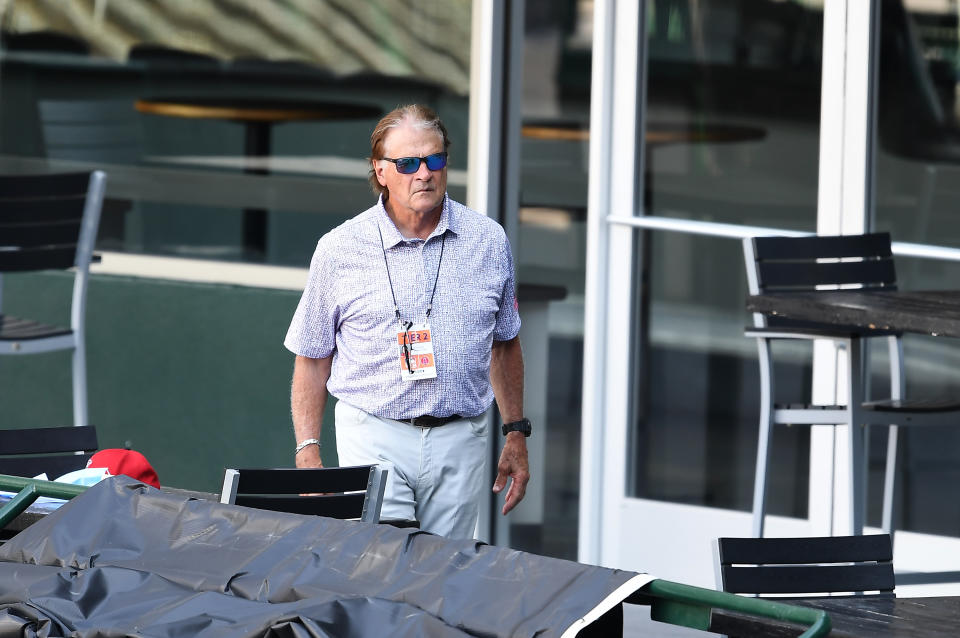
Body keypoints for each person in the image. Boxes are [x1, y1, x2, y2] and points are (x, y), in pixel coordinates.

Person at [284, 104, 530, 538]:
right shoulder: (340, 248)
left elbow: (505, 344)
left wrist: (515, 433)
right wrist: (308, 452)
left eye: (435, 160)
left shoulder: (488, 241)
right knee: (384, 563)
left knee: (441, 576)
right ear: (380, 171)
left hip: (460, 437)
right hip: (374, 434)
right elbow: (313, 356)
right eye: (408, 163)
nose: (424, 173)